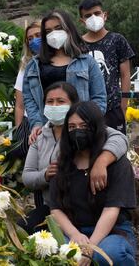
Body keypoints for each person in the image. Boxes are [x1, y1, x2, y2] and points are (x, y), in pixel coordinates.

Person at [21, 82, 128, 234]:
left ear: (73, 104)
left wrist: (101, 161)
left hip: (87, 206)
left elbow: (120, 138)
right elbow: (27, 176)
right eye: (50, 102)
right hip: (53, 207)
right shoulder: (39, 137)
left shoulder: (84, 129)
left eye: (61, 101)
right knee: (25, 227)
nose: (55, 106)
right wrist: (45, 174)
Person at [50, 101, 136, 266]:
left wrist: (90, 248)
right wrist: (74, 235)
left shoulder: (117, 163)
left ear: (96, 127)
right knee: (50, 249)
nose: (78, 131)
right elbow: (55, 208)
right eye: (72, 127)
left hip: (112, 232)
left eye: (84, 126)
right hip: (74, 230)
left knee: (108, 255)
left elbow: (112, 209)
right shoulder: (62, 162)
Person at [22, 9, 107, 145]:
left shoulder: (87, 62)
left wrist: (85, 122)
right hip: (47, 132)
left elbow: (99, 98)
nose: (54, 34)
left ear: (68, 29)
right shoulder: (33, 66)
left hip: (80, 132)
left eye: (58, 28)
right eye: (48, 31)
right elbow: (29, 100)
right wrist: (36, 123)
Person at [79, 0, 135, 134]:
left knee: (116, 149)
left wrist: (123, 106)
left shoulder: (117, 40)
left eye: (97, 13)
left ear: (105, 15)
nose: (93, 17)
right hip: (85, 110)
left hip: (113, 108)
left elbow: (125, 74)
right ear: (82, 21)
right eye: (88, 15)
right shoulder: (77, 44)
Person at [14, 20, 41, 159]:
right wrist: (19, 132)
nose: (34, 41)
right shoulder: (26, 65)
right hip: (30, 125)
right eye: (30, 39)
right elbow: (19, 104)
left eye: (38, 35)